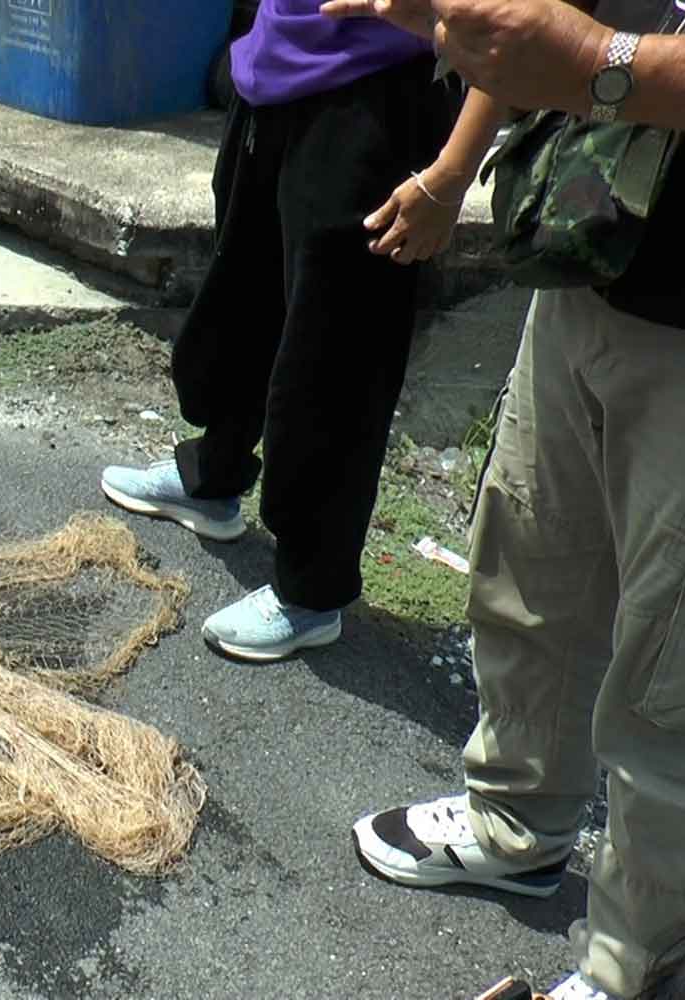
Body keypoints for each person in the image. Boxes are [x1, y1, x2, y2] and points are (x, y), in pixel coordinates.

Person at [312, 0, 685, 994]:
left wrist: (606, 69)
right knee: (529, 558)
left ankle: (638, 966)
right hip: (591, 256)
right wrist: (451, 166)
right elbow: (544, 26)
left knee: (669, 677)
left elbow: (587, 49)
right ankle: (517, 817)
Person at [97, 2, 510, 662]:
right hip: (275, 71)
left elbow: (514, 24)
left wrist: (452, 174)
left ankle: (311, 592)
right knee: (240, 298)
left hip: (379, 91)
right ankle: (214, 478)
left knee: (337, 353)